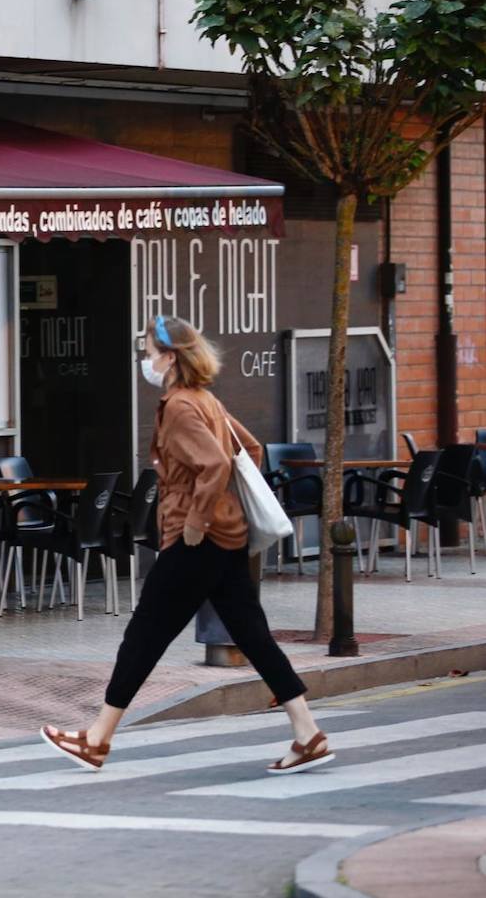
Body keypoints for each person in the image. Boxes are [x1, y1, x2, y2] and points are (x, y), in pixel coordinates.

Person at [41, 316, 334, 775]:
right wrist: (221, 510)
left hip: (197, 540)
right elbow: (250, 450)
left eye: (149, 352)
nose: (145, 361)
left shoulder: (179, 406)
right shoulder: (205, 401)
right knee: (251, 633)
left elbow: (216, 464)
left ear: (170, 357)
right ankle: (307, 733)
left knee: (144, 635)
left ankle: (97, 739)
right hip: (227, 536)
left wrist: (197, 519)